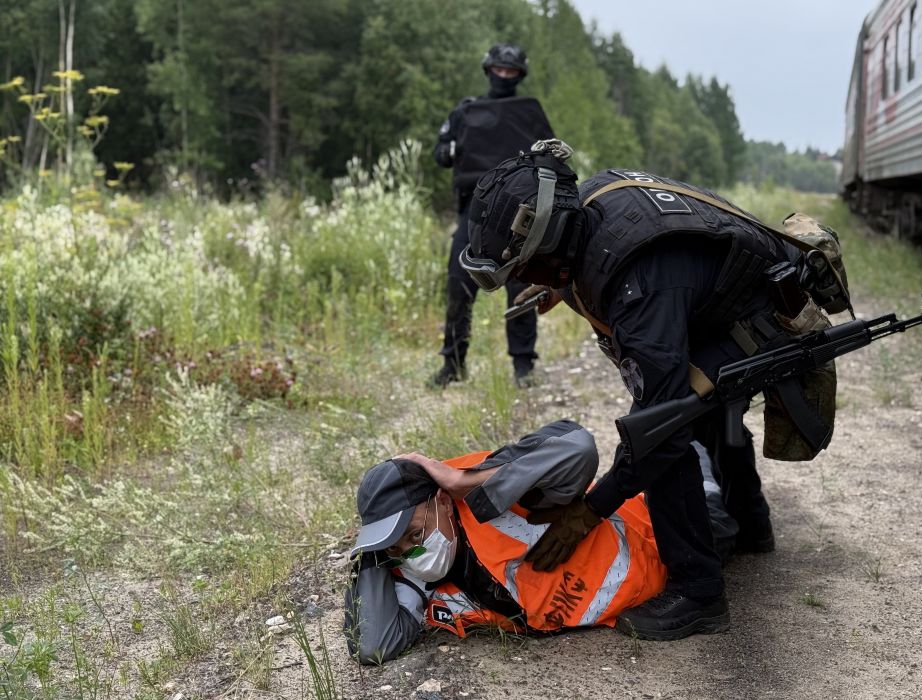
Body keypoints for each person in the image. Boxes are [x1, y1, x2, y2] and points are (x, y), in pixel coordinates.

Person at [456, 139, 846, 641]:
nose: (519, 280)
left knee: (663, 433)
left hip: (770, 316)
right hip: (735, 299)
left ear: (550, 246)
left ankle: (699, 594)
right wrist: (560, 285)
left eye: (523, 268)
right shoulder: (594, 201)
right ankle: (751, 525)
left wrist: (590, 510)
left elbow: (658, 428)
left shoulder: (637, 288)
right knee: (700, 402)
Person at [343, 420, 740, 664]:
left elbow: (577, 446)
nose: (412, 553)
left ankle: (698, 437)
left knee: (710, 497)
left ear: (443, 502)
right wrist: (374, 552)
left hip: (661, 538)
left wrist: (465, 481)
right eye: (396, 547)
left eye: (414, 534)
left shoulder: (490, 498)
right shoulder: (413, 574)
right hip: (643, 588)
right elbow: (373, 645)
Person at [429, 44, 555, 389]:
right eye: (499, 69)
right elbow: (440, 153)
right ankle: (453, 364)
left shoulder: (529, 113)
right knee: (459, 283)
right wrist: (451, 149)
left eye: (510, 71)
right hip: (474, 212)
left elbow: (552, 158)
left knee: (521, 285)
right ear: (488, 70)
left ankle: (523, 366)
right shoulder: (465, 112)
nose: (504, 75)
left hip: (519, 214)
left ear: (520, 75)